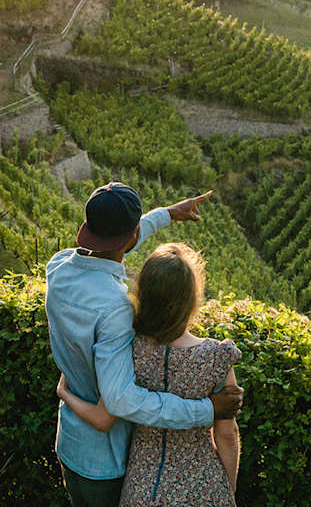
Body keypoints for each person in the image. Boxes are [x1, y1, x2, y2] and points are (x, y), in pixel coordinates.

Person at [46, 183, 243, 507]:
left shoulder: (58, 267)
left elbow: (109, 251)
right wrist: (207, 409)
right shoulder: (116, 309)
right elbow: (122, 400)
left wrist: (166, 215)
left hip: (69, 442)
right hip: (106, 461)